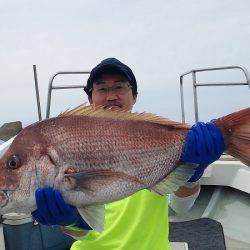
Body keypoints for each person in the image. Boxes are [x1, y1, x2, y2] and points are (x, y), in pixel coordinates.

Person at [32, 58, 224, 250]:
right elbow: (83, 232)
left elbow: (181, 208)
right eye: (102, 89)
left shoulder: (156, 138)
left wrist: (192, 175)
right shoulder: (71, 144)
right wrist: (72, 221)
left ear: (134, 96)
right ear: (90, 99)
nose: (111, 96)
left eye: (119, 87)